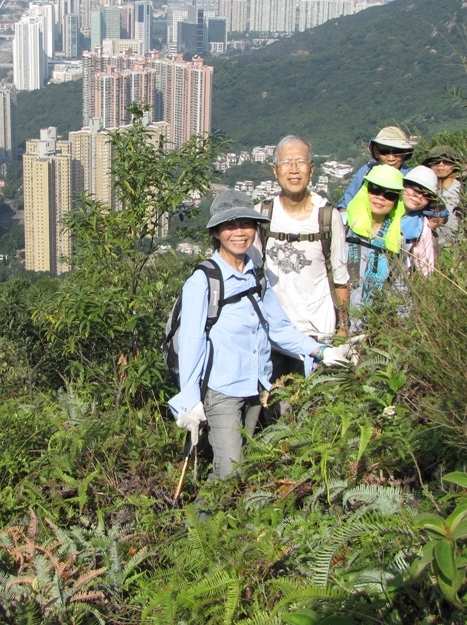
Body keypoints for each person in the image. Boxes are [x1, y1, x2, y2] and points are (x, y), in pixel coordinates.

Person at [168, 190, 358, 480]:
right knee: (229, 471)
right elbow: (191, 342)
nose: (239, 232)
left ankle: (226, 507)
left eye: (246, 224)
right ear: (216, 232)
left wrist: (321, 351)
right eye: (230, 225)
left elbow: (278, 327)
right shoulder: (204, 281)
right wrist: (189, 400)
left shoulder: (257, 275)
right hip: (221, 389)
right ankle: (207, 509)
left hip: (256, 386)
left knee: (244, 463)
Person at [261, 134, 350, 345]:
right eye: (286, 162)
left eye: (300, 162)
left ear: (311, 168)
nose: (293, 169)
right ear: (275, 170)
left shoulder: (327, 217)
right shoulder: (263, 215)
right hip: (274, 335)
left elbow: (341, 279)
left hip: (319, 333)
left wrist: (343, 328)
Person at [344, 165, 406, 312]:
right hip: (340, 314)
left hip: (378, 317)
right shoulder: (343, 225)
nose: (381, 197)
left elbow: (400, 284)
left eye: (390, 194)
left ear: (397, 201)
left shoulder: (397, 237)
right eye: (375, 189)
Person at [338, 126, 415, 212]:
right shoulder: (366, 171)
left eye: (397, 152)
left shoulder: (411, 178)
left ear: (405, 153)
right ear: (376, 152)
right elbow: (346, 204)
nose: (391, 158)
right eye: (384, 151)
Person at [398, 165, 439, 274]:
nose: (419, 196)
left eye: (427, 194)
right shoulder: (383, 208)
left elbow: (426, 268)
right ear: (404, 186)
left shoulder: (422, 226)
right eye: (416, 189)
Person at [421, 145, 463, 246]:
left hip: (459, 248)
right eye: (436, 161)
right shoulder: (423, 192)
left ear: (454, 164)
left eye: (446, 161)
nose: (441, 165)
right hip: (429, 248)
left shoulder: (464, 191)